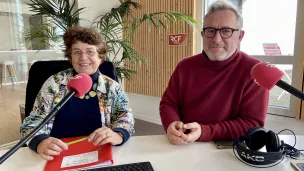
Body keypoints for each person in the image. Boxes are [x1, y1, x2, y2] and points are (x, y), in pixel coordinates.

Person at [159, 0, 269, 145]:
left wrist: (205, 131)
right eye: (210, 31)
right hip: (185, 144)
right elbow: (168, 103)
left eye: (225, 31)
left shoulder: (255, 71)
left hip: (230, 150)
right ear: (203, 34)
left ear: (240, 36)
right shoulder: (185, 66)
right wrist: (172, 123)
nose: (217, 39)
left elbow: (252, 124)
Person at [20, 27, 135, 160]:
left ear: (101, 56)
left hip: (98, 153)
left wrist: (118, 134)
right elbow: (31, 123)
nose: (83, 57)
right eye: (76, 52)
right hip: (56, 155)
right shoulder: (54, 83)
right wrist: (39, 142)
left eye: (90, 52)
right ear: (70, 56)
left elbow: (125, 116)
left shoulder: (112, 87)